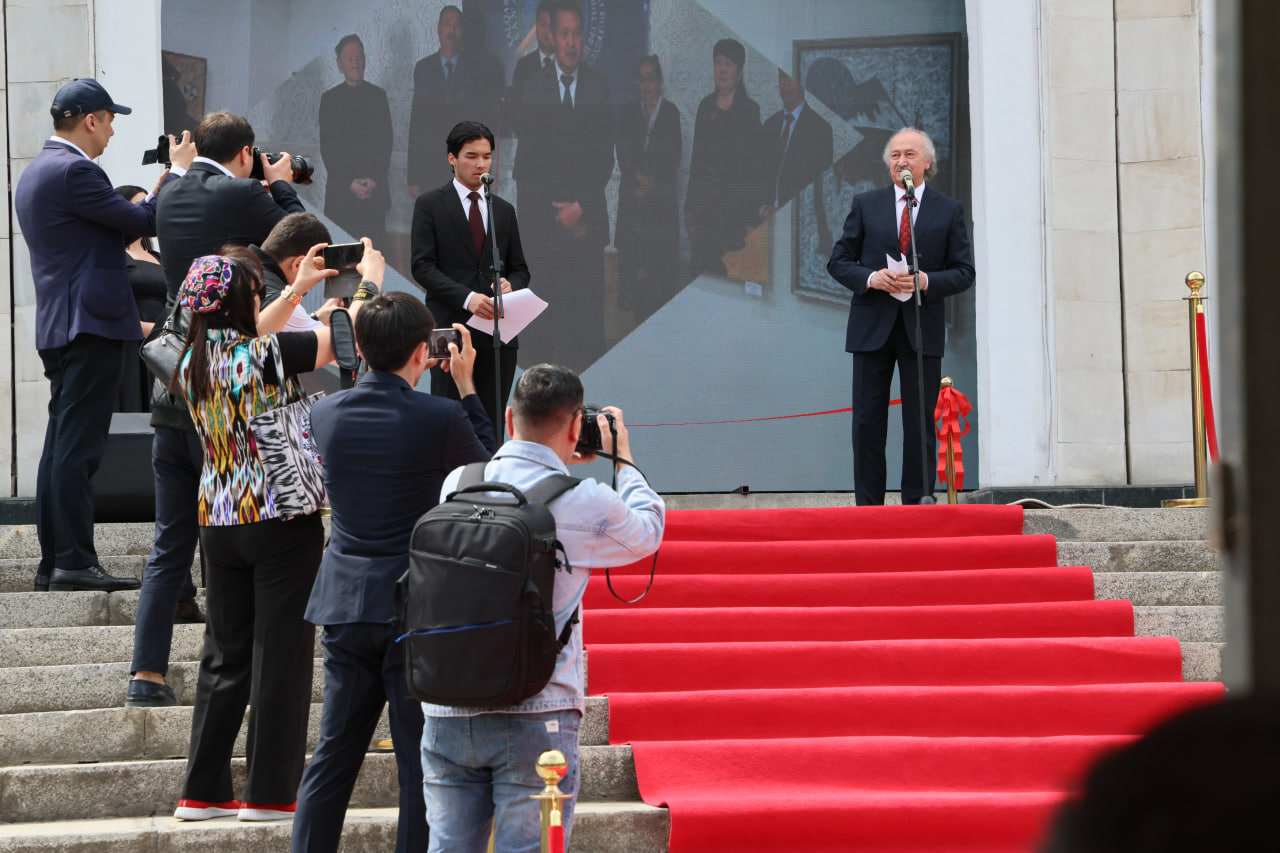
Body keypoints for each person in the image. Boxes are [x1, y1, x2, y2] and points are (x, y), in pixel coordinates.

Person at [171, 242, 382, 823]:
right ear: (240, 303)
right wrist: (367, 283)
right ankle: (268, 793)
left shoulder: (187, 361)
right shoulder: (264, 355)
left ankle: (202, 791)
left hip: (218, 518)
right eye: (255, 294)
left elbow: (255, 333)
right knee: (281, 655)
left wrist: (296, 290)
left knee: (224, 655)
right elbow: (349, 338)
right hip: (281, 513)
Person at [421, 363, 665, 853]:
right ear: (576, 427)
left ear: (509, 419)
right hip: (539, 707)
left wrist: (554, 455)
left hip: (447, 704)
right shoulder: (586, 500)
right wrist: (622, 459)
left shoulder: (458, 482)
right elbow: (647, 531)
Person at [291, 293, 497, 853]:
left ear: (358, 348)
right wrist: (467, 386)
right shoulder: (440, 417)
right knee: (416, 760)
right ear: (422, 350)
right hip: (415, 609)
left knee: (333, 755)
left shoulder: (324, 412)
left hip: (344, 602)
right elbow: (491, 474)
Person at [127, 110, 308, 709]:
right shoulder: (242, 192)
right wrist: (278, 183)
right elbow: (300, 238)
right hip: (227, 397)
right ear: (246, 152)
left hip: (176, 386)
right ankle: (237, 672)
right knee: (231, 540)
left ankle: (146, 676)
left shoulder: (170, 192)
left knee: (169, 545)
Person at [14, 78, 191, 593]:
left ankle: (56, 563)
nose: (112, 131)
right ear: (90, 120)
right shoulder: (76, 170)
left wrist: (161, 184)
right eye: (110, 120)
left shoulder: (40, 170)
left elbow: (122, 225)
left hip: (64, 325)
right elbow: (144, 221)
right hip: (90, 324)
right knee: (79, 448)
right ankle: (72, 561)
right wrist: (179, 172)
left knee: (61, 447)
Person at [826, 127, 975, 505]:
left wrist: (925, 280)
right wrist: (871, 278)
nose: (901, 161)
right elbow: (839, 261)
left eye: (910, 154)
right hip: (871, 327)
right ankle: (869, 507)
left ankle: (918, 502)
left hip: (920, 328)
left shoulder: (948, 210)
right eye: (895, 155)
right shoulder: (866, 204)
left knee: (920, 422)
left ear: (927, 163)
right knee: (867, 422)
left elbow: (964, 272)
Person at [513, 0, 615, 372]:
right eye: (564, 34)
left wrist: (580, 208)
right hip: (544, 226)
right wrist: (557, 214)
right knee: (541, 331)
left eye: (577, 34)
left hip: (584, 224)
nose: (571, 42)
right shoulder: (533, 86)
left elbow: (604, 157)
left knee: (584, 329)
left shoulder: (599, 87)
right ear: (552, 38)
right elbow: (529, 164)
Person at [412, 121, 530, 432]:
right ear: (452, 158)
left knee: (491, 425)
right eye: (472, 156)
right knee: (449, 422)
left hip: (498, 334)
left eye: (487, 156)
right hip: (449, 330)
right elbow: (422, 266)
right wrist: (467, 299)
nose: (481, 164)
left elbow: (520, 270)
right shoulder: (430, 204)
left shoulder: (503, 210)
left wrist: (510, 284)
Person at [685, 39, 764, 277]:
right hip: (705, 212)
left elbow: (755, 171)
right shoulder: (705, 107)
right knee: (702, 280)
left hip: (735, 215)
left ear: (739, 72)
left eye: (728, 64)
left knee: (729, 282)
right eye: (718, 62)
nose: (721, 70)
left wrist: (750, 220)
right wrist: (689, 209)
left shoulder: (749, 111)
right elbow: (696, 163)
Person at [408, 5, 502, 198]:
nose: (452, 30)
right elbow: (417, 123)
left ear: (463, 32)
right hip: (431, 166)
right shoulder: (424, 69)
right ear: (438, 29)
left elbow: (482, 124)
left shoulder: (477, 70)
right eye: (447, 24)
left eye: (457, 26)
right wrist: (414, 177)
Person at [615, 55, 682, 318]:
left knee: (658, 283)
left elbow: (673, 156)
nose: (646, 85)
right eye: (641, 79)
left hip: (659, 205)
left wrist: (650, 182)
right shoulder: (629, 112)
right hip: (632, 198)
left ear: (660, 82)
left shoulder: (671, 113)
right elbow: (623, 152)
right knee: (634, 287)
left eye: (651, 79)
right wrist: (638, 178)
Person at [318, 34, 392, 248]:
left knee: (373, 259)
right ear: (339, 64)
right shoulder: (330, 99)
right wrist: (350, 183)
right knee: (341, 260)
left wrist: (373, 179)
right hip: (342, 195)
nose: (356, 63)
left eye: (360, 57)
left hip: (374, 192)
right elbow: (328, 149)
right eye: (350, 58)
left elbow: (386, 143)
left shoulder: (378, 96)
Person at [760, 69, 833, 248]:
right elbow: (758, 175)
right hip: (764, 223)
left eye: (791, 77)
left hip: (800, 228)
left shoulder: (820, 129)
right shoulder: (770, 125)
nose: (785, 83)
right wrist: (762, 209)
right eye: (782, 77)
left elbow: (821, 191)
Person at [114, 185, 169, 413]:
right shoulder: (113, 255)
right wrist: (142, 328)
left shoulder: (158, 256)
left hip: (164, 345)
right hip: (131, 345)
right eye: (139, 205)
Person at [252, 212, 344, 333]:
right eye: (318, 269)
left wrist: (314, 319)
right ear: (298, 264)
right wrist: (366, 285)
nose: (320, 279)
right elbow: (339, 339)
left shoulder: (235, 272)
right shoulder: (277, 300)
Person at [508, 0, 557, 102]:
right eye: (543, 24)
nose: (547, 31)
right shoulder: (523, 66)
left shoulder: (568, 65)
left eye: (551, 25)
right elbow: (516, 105)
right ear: (536, 27)